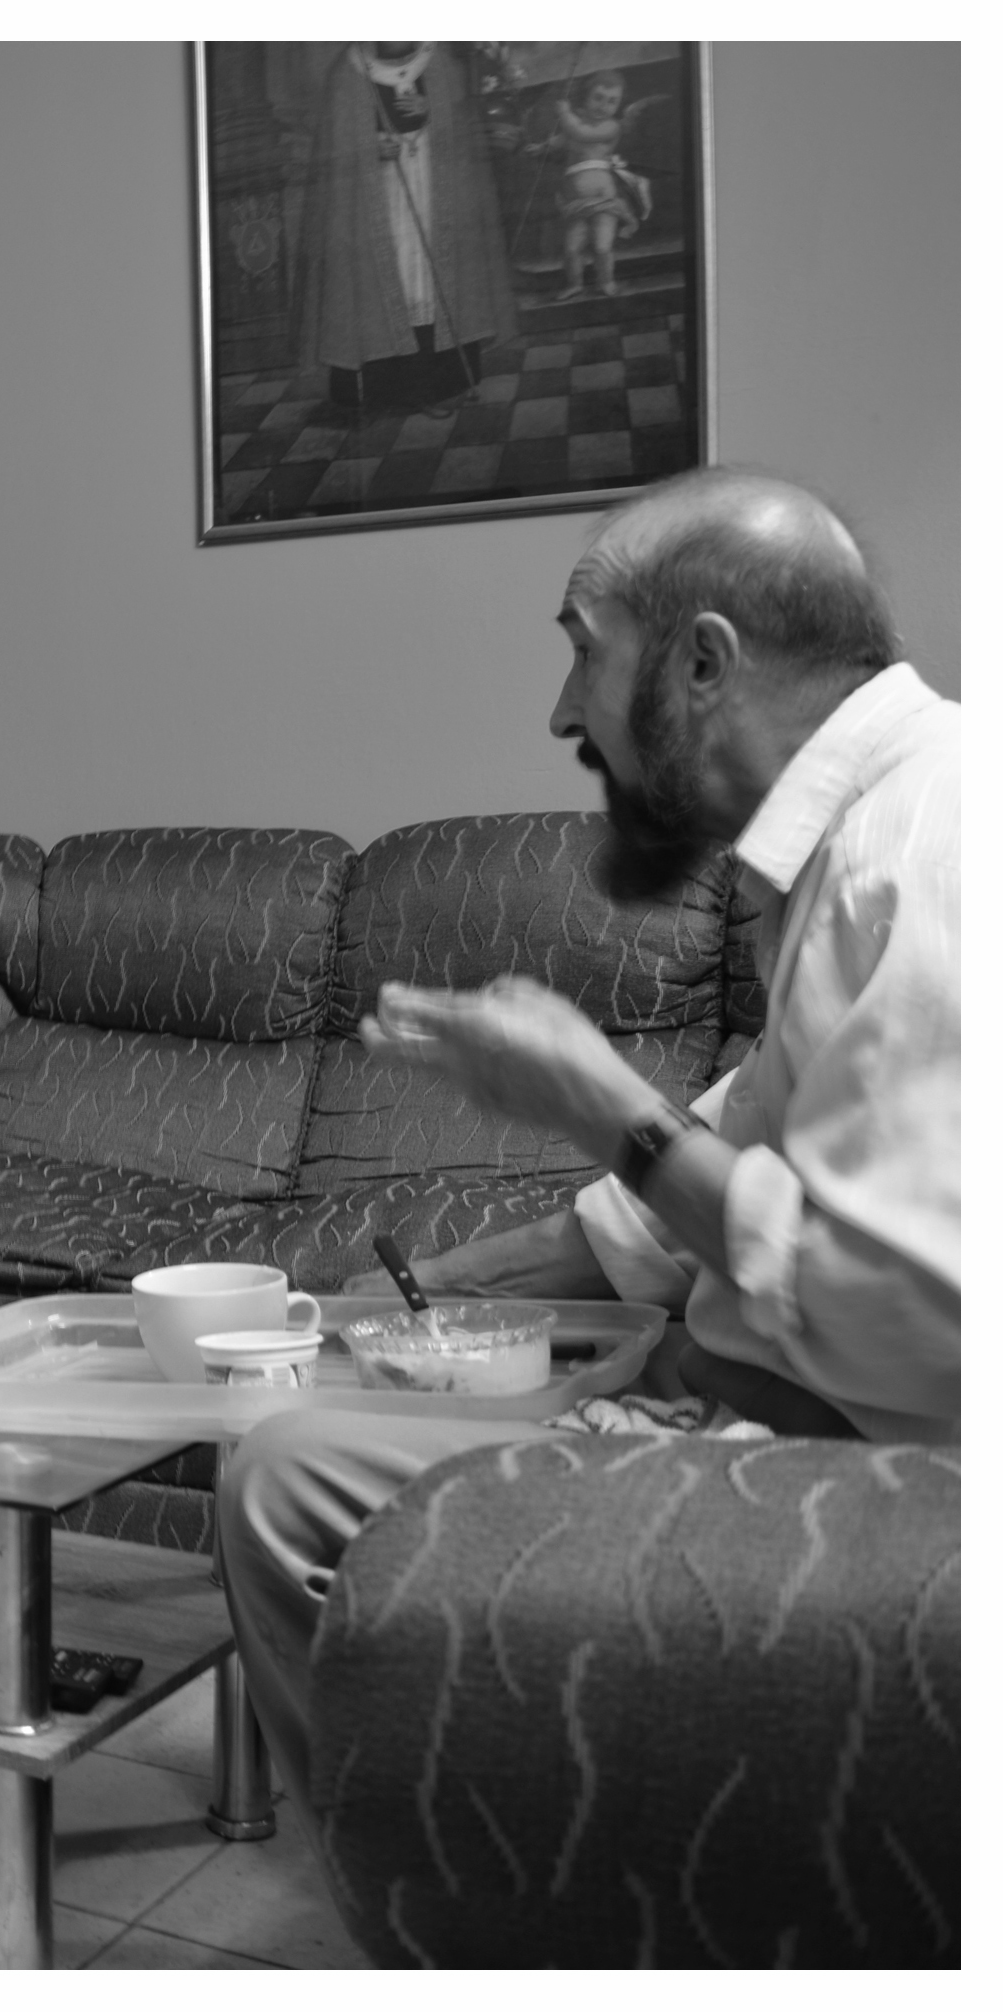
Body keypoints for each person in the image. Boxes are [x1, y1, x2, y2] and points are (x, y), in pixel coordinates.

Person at [216, 466, 960, 1834]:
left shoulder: (923, 852)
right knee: (306, 1431)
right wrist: (406, 1300)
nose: (562, 712)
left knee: (284, 1487)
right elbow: (690, 1190)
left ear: (701, 662)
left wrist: (599, 1101)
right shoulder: (851, 848)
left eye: (581, 648)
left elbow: (917, 1309)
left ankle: (461, 1899)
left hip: (871, 1495)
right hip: (719, 1402)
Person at [278, 42, 522, 417]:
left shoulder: (439, 63)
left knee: (431, 278)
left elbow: (460, 128)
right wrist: (370, 149)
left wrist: (431, 111)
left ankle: (444, 384)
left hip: (433, 193)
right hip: (377, 199)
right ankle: (387, 391)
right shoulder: (347, 73)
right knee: (389, 284)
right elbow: (336, 147)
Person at [538, 70, 653, 301]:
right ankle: (574, 284)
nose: (603, 106)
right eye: (598, 98)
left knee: (601, 247)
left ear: (618, 105)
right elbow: (564, 139)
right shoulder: (576, 123)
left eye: (612, 101)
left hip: (604, 201)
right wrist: (543, 146)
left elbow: (582, 134)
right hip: (576, 202)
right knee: (571, 249)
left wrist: (565, 113)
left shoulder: (610, 127)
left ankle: (606, 282)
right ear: (585, 97)